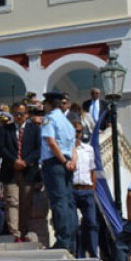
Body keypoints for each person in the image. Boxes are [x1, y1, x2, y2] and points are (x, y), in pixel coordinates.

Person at [0, 102, 42, 242]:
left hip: (28, 172)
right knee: (12, 202)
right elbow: (1, 148)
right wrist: (14, 161)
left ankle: (22, 231)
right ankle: (14, 233)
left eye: (21, 114)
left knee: (25, 204)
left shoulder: (34, 129)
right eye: (16, 114)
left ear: (26, 114)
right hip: (10, 171)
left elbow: (38, 149)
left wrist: (25, 162)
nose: (19, 116)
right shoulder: (5, 129)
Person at [40, 91, 77, 252]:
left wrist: (63, 161)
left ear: (48, 104)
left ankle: (63, 239)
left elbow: (50, 141)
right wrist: (71, 162)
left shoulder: (49, 119)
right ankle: (71, 240)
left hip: (55, 162)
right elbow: (73, 147)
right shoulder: (67, 122)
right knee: (68, 202)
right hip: (67, 162)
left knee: (59, 202)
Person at [71, 119, 98, 258]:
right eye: (74, 131)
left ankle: (93, 252)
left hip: (86, 189)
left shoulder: (88, 149)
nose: (77, 134)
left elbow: (92, 171)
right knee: (74, 224)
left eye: (79, 131)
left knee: (91, 222)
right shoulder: (66, 148)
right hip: (72, 189)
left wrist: (93, 188)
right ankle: (78, 253)